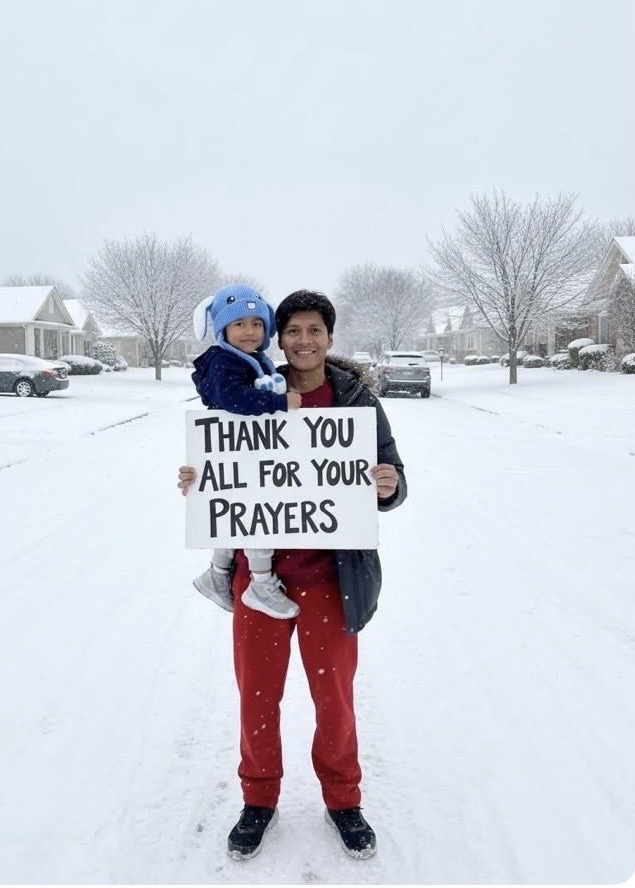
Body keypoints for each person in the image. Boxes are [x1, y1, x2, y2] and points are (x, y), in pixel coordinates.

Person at [178, 289, 407, 861]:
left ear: (329, 337)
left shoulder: (356, 400)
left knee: (334, 698)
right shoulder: (252, 388)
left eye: (315, 330)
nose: (304, 341)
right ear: (280, 339)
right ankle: (258, 798)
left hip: (333, 577)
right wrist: (198, 479)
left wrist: (388, 485)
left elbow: (394, 474)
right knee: (257, 696)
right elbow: (218, 457)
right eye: (294, 331)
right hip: (261, 578)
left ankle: (343, 800)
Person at [191, 283, 302, 619]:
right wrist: (278, 403)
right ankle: (261, 582)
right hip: (238, 452)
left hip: (245, 454)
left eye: (257, 323)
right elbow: (233, 399)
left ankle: (217, 573)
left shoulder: (252, 360)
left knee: (237, 513)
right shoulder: (224, 362)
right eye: (239, 323)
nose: (250, 331)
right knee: (258, 516)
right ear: (222, 329)